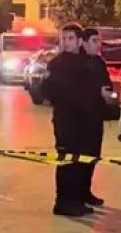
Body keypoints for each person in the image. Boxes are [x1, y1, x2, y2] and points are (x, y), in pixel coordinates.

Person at [42, 24, 108, 217]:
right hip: (66, 120)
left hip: (85, 121)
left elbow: (96, 89)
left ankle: (77, 198)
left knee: (81, 161)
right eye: (63, 38)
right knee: (67, 162)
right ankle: (64, 202)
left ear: (79, 41)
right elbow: (47, 90)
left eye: (70, 38)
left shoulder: (87, 63)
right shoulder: (57, 63)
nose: (66, 42)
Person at [79, 28, 112, 206]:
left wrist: (108, 93)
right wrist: (96, 91)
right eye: (94, 40)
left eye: (99, 41)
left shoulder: (99, 62)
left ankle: (86, 191)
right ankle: (76, 193)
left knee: (93, 155)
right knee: (79, 157)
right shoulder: (77, 62)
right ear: (84, 42)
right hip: (80, 117)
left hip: (96, 115)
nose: (98, 44)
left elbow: (106, 83)